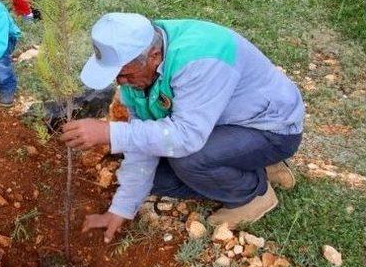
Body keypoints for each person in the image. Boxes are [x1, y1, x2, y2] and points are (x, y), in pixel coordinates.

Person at [61, 13, 304, 242]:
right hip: (221, 125)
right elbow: (141, 145)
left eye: (125, 74)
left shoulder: (199, 58)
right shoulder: (140, 67)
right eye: (116, 76)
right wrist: (122, 208)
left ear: (154, 56)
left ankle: (252, 194)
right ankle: (248, 164)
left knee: (188, 158)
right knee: (156, 178)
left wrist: (108, 132)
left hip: (271, 128)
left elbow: (187, 137)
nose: (120, 82)